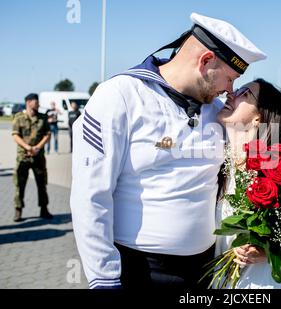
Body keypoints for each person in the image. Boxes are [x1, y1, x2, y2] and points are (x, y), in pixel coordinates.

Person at [70, 12, 266, 289]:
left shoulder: (217, 112)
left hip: (205, 270)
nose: (229, 91)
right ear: (205, 61)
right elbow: (90, 195)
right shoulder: (121, 95)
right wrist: (103, 277)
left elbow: (249, 168)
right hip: (139, 270)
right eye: (230, 78)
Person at [215, 79, 281, 289]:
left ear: (258, 117)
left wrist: (272, 248)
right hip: (223, 279)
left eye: (244, 93)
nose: (231, 93)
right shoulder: (216, 161)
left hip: (265, 282)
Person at [12, 93, 53, 222]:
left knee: (42, 184)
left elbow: (47, 134)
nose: (38, 104)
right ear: (28, 102)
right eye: (36, 102)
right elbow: (15, 135)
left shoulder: (42, 118)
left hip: (38, 157)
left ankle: (44, 209)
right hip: (23, 157)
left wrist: (37, 147)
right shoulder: (19, 117)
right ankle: (18, 210)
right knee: (20, 185)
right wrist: (28, 147)